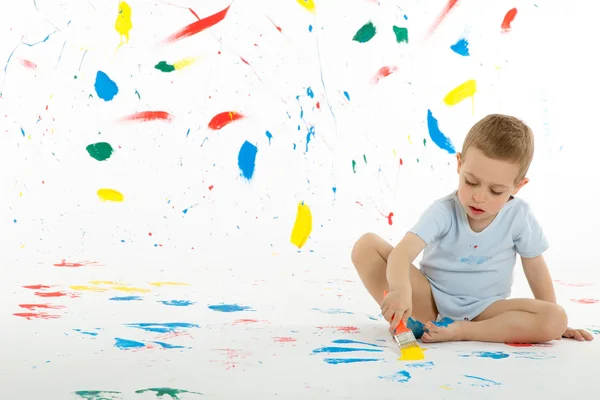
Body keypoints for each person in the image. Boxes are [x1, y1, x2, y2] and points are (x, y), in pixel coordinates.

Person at [351, 114, 594, 343]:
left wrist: (551, 315)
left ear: (518, 186)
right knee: (366, 245)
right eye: (471, 182)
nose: (479, 197)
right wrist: (401, 290)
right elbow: (402, 253)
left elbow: (536, 268)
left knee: (555, 318)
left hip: (487, 312)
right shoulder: (444, 211)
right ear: (459, 164)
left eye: (496, 191)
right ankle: (412, 318)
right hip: (430, 302)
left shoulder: (519, 216)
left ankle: (462, 331)